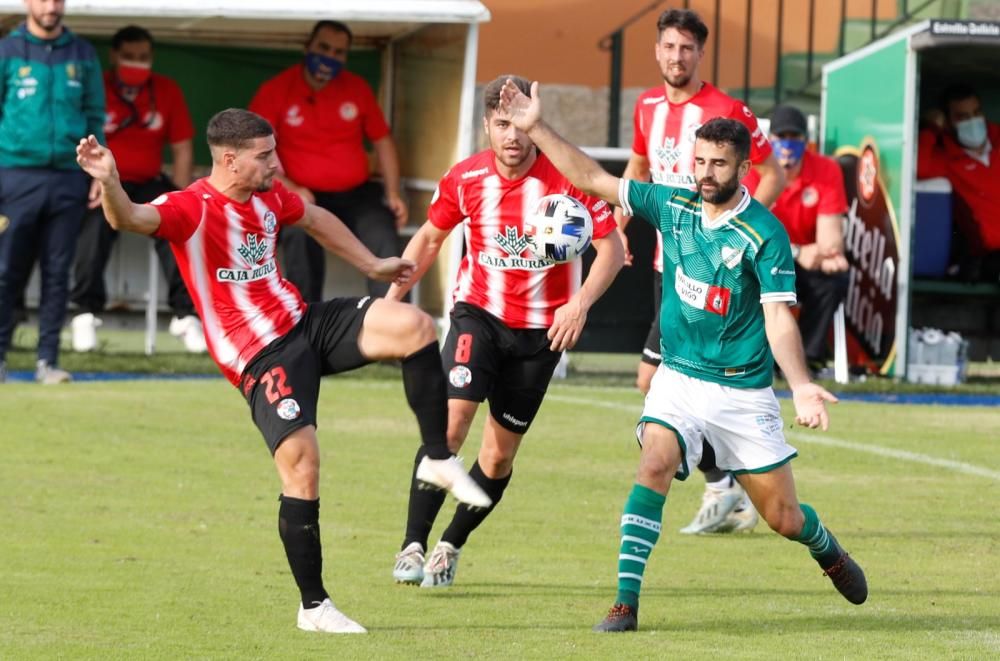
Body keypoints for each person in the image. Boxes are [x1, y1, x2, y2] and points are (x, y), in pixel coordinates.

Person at [75, 108, 492, 634]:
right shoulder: (191, 207)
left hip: (303, 323)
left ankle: (435, 457)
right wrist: (110, 182)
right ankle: (314, 607)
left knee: (413, 326)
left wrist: (372, 265)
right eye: (265, 155)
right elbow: (129, 219)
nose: (277, 163)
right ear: (229, 159)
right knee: (303, 467)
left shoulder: (270, 195)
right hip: (259, 355)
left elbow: (315, 219)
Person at [498, 80, 867, 632]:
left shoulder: (765, 234)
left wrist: (801, 383)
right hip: (679, 377)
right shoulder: (673, 205)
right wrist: (534, 128)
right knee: (653, 462)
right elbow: (592, 179)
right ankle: (625, 602)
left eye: (719, 163)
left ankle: (825, 546)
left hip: (742, 391)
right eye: (699, 161)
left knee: (784, 519)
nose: (705, 173)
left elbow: (777, 319)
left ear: (744, 169)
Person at [388, 75, 624, 589]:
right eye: (501, 124)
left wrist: (579, 303)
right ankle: (411, 543)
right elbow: (430, 236)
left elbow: (614, 249)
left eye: (520, 124)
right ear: (486, 127)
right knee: (450, 427)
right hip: (479, 315)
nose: (513, 136)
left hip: (541, 334)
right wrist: (391, 301)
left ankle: (450, 545)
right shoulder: (465, 178)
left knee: (497, 455)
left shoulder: (567, 179)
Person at [617, 8, 786, 535]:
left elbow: (771, 173)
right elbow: (639, 169)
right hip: (668, 265)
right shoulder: (645, 106)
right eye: (669, 46)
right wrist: (619, 223)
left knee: (655, 378)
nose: (677, 56)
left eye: (687, 48)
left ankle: (723, 484)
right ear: (657, 50)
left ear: (700, 55)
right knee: (656, 380)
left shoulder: (726, 111)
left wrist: (740, 236)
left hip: (720, 274)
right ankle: (723, 484)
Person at [69, 25, 207, 354]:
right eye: (129, 57)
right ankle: (85, 312)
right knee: (93, 226)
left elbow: (183, 148)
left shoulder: (167, 90)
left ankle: (185, 316)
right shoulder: (95, 88)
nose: (136, 63)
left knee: (178, 223)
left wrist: (180, 193)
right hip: (102, 180)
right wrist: (95, 178)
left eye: (143, 58)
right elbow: (75, 139)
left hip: (150, 181)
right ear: (115, 56)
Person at [249, 20, 406, 301]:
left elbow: (383, 141)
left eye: (338, 52)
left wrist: (393, 192)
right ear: (307, 47)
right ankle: (307, 323)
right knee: (298, 234)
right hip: (303, 196)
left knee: (384, 234)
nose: (330, 57)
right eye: (323, 48)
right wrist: (290, 188)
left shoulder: (357, 88)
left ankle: (393, 322)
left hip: (357, 196)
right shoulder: (275, 90)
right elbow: (254, 152)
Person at [0, 0, 105, 384]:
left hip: (68, 177)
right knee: (6, 269)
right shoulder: (7, 51)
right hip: (14, 175)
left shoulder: (82, 53)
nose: (50, 6)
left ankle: (47, 361)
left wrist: (97, 170)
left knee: (58, 272)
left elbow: (95, 114)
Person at [765, 105, 849, 374]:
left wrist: (826, 256)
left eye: (795, 137)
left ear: (805, 140)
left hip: (806, 263)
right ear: (770, 140)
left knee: (833, 279)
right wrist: (798, 251)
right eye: (781, 136)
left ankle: (807, 358)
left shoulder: (825, 170)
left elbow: (831, 240)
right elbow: (749, 237)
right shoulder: (754, 170)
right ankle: (761, 358)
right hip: (764, 261)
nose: (788, 144)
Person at [917, 83, 1000, 282]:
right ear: (947, 122)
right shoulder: (946, 157)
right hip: (987, 255)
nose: (973, 121)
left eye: (976, 112)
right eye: (962, 117)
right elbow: (918, 168)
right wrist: (931, 130)